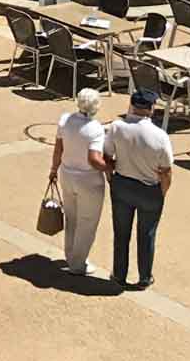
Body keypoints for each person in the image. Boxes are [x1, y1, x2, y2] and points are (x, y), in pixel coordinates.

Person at [100, 87, 174, 290]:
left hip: (122, 185)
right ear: (151, 109)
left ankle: (119, 274)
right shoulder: (160, 136)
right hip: (149, 189)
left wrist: (111, 179)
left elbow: (107, 157)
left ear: (131, 106)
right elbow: (166, 171)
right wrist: (161, 192)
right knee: (147, 234)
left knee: (121, 233)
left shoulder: (116, 127)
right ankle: (144, 277)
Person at [50, 87, 108, 274]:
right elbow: (95, 159)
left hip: (67, 175)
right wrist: (111, 167)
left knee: (72, 219)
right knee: (87, 222)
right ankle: (78, 263)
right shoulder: (96, 129)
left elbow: (58, 149)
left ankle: (71, 256)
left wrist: (53, 169)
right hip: (88, 180)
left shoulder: (65, 120)